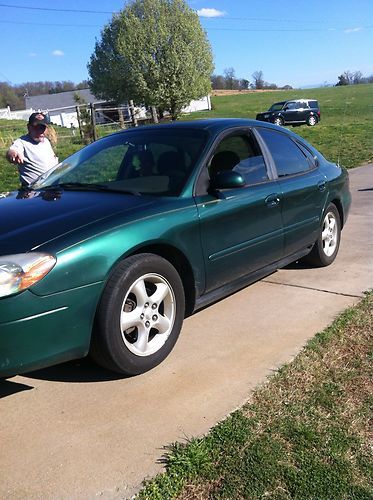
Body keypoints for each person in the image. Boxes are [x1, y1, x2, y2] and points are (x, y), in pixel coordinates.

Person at [6, 112, 58, 187]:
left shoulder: (46, 141)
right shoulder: (22, 142)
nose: (40, 131)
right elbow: (12, 151)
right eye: (36, 127)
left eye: (42, 128)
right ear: (29, 127)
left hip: (52, 187)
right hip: (33, 191)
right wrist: (12, 155)